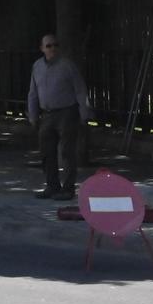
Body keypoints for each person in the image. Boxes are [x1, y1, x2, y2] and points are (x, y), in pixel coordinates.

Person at [27, 34, 92, 200]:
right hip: (47, 113)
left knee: (66, 151)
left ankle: (68, 188)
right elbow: (33, 92)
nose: (52, 48)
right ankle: (52, 186)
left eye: (55, 45)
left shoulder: (67, 66)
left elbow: (80, 90)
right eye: (48, 46)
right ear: (42, 48)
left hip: (67, 112)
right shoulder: (37, 67)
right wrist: (33, 115)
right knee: (46, 151)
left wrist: (84, 113)